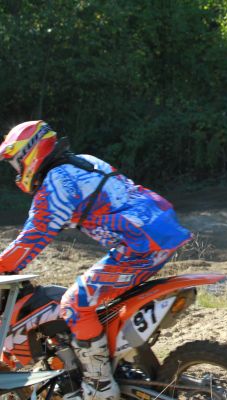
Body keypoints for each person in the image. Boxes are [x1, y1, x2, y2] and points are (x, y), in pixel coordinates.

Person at [0, 121, 191, 399]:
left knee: (74, 303)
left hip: (139, 244)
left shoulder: (56, 185)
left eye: (15, 163)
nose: (16, 171)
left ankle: (99, 384)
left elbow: (30, 241)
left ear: (29, 153)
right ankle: (122, 368)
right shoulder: (83, 162)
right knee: (103, 309)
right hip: (160, 229)